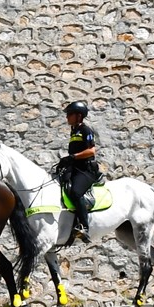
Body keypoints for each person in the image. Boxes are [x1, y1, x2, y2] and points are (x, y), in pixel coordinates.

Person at [56, 100, 99, 241]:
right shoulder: (74, 131)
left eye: (69, 114)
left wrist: (73, 157)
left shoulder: (86, 130)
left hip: (86, 170)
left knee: (75, 192)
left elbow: (91, 150)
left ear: (79, 116)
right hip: (75, 168)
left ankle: (84, 227)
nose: (67, 117)